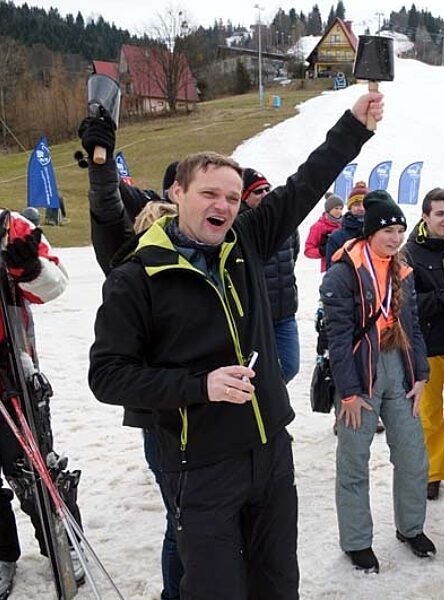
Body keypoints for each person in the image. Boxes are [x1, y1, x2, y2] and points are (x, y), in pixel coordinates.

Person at [88, 92, 380, 599]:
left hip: (270, 453)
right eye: (209, 193)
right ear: (177, 192)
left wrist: (354, 127)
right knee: (216, 590)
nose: (222, 205)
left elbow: (306, 184)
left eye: (231, 196)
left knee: (278, 584)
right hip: (200, 465)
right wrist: (200, 386)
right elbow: (107, 376)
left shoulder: (245, 241)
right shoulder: (137, 275)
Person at [78, 115, 185, 599]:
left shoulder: (209, 242)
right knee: (180, 518)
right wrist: (101, 161)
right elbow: (105, 205)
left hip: (213, 407)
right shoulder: (131, 255)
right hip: (161, 410)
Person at [321, 190, 433, 573]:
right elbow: (337, 339)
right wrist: (349, 393)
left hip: (398, 367)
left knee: (413, 456)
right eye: (388, 230)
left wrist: (421, 374)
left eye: (400, 230)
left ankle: (411, 527)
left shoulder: (402, 270)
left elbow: (413, 326)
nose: (395, 237)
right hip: (359, 373)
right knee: (354, 461)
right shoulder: (343, 272)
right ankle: (356, 541)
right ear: (370, 232)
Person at [0, 212, 74, 598]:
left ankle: (61, 544)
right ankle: (1, 553)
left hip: (10, 370)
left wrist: (28, 268)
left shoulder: (8, 226)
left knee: (31, 469)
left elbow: (54, 285)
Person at [401, 187, 444, 502]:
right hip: (428, 348)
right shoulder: (409, 252)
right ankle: (433, 474)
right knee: (430, 416)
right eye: (440, 213)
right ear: (425, 216)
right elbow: (408, 303)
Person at [241, 168, 302, 383]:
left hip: (284, 312)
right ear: (244, 197)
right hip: (255, 316)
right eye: (258, 192)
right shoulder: (240, 228)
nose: (265, 194)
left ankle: (268, 397)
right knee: (255, 370)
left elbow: (294, 255)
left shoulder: (286, 223)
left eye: (267, 189)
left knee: (289, 366)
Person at [325, 181, 367, 269]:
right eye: (357, 204)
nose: (362, 208)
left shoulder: (378, 232)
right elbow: (331, 269)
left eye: (365, 204)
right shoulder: (336, 237)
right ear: (350, 207)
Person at [304, 193, 344, 272]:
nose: (339, 211)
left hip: (346, 268)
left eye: (341, 208)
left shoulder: (345, 224)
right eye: (336, 208)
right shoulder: (318, 227)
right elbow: (308, 251)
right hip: (328, 269)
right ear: (329, 209)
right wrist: (322, 251)